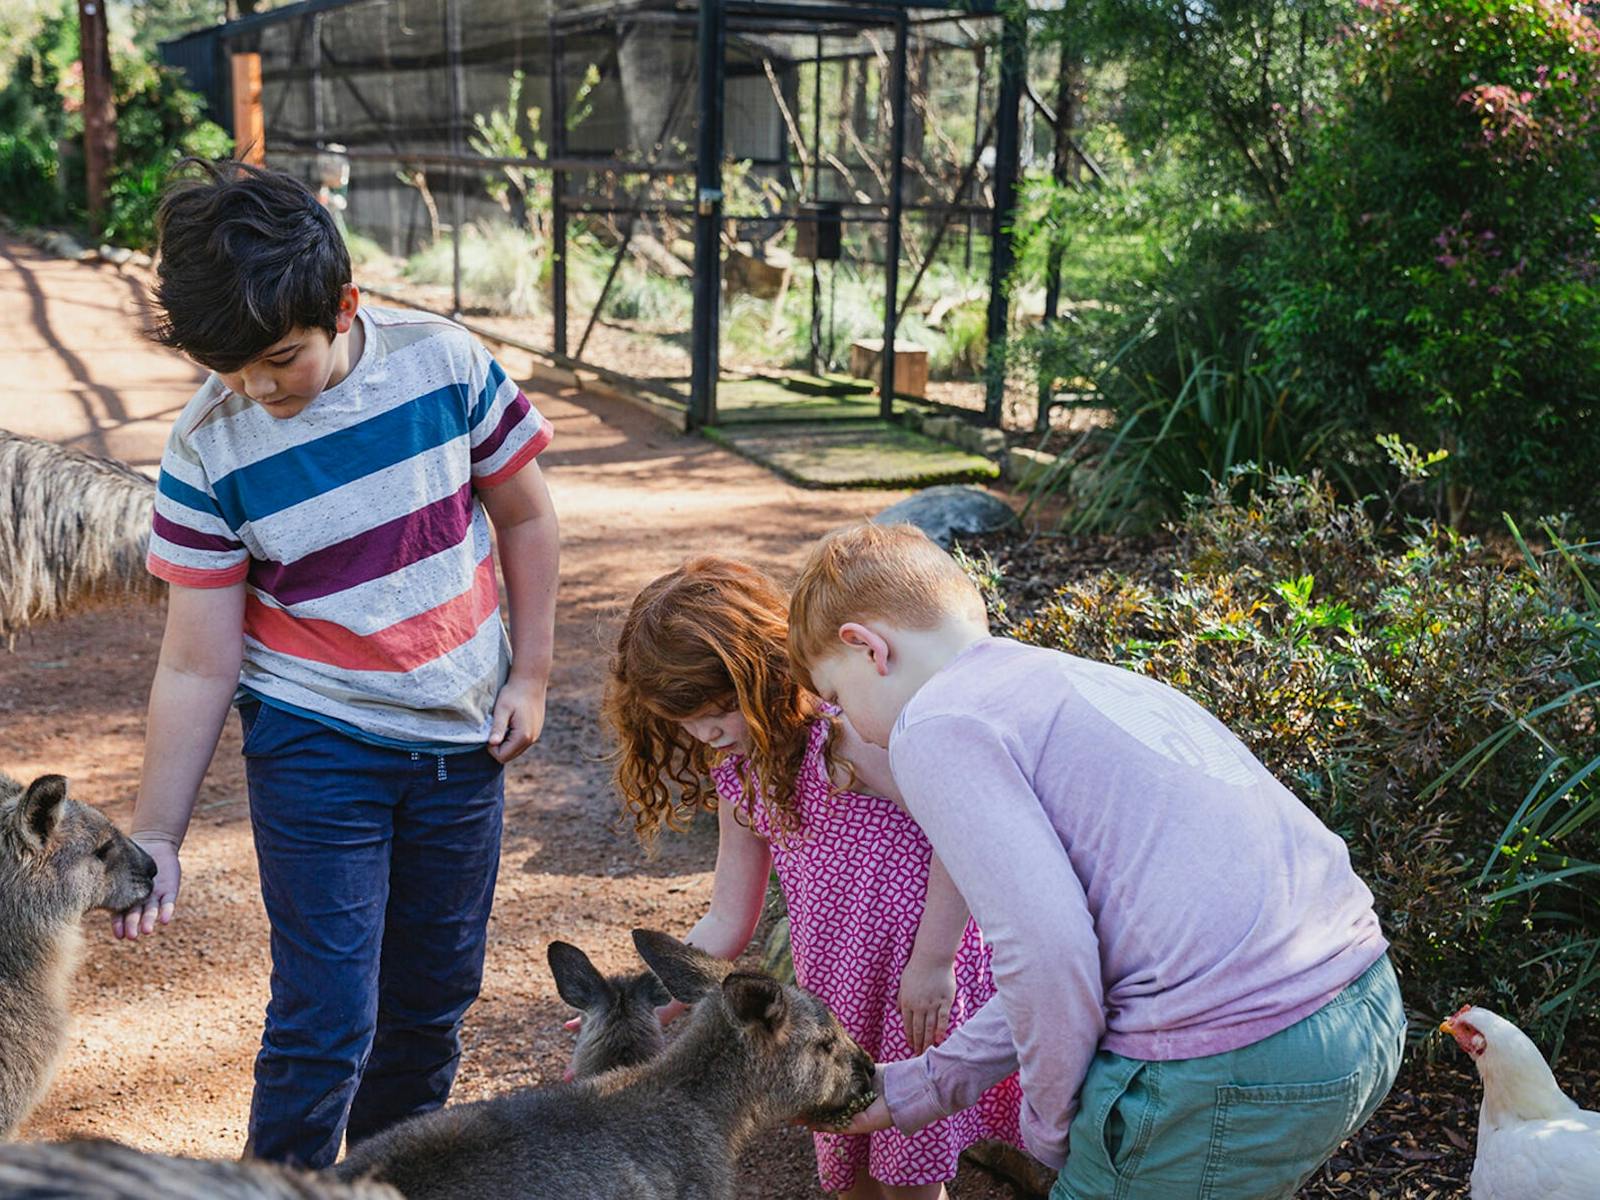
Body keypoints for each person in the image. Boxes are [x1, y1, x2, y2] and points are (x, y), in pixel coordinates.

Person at [113, 159, 560, 1169]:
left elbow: (526, 513)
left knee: (433, 998)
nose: (257, 390)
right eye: (230, 369)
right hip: (317, 743)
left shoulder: (444, 365)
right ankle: (284, 1190)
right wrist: (158, 834)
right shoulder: (206, 445)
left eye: (278, 359)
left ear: (344, 304)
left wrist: (529, 672)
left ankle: (386, 1181)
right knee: (326, 1014)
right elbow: (194, 661)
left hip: (458, 737)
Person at [785, 522, 1407, 1200]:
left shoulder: (934, 724)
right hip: (1359, 1007)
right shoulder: (1060, 680)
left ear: (867, 647)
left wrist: (1054, 1130)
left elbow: (1048, 957)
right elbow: (1066, 956)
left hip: (1220, 1058)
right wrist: (920, 1088)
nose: (848, 725)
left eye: (838, 700)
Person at [601, 556, 1022, 1200]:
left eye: (718, 708)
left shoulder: (850, 737)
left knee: (909, 1174)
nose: (706, 731)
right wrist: (651, 1000)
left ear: (763, 672)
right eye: (685, 721)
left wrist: (933, 959)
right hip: (838, 990)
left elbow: (957, 832)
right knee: (848, 1164)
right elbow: (727, 918)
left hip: (915, 983)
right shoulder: (739, 774)